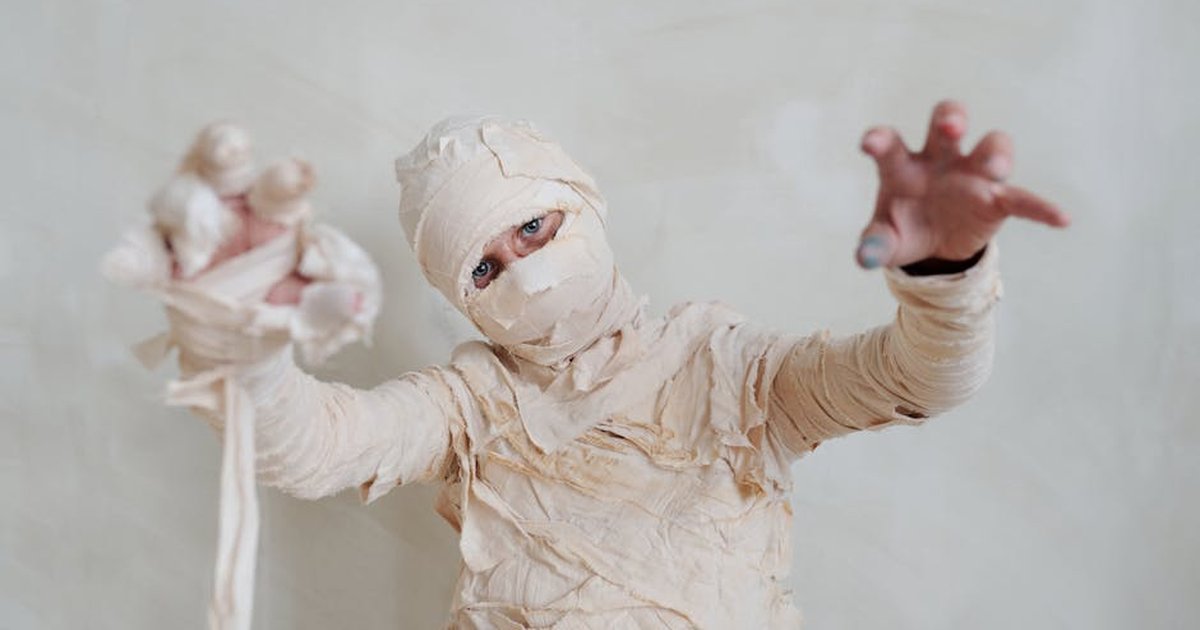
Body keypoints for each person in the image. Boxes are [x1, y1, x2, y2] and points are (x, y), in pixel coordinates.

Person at [109, 101, 1068, 628]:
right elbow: (317, 445)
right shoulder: (471, 402)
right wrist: (242, 340)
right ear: (461, 299)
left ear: (585, 203)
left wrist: (946, 272)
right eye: (486, 264)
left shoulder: (732, 370)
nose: (524, 269)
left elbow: (914, 380)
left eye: (536, 224)